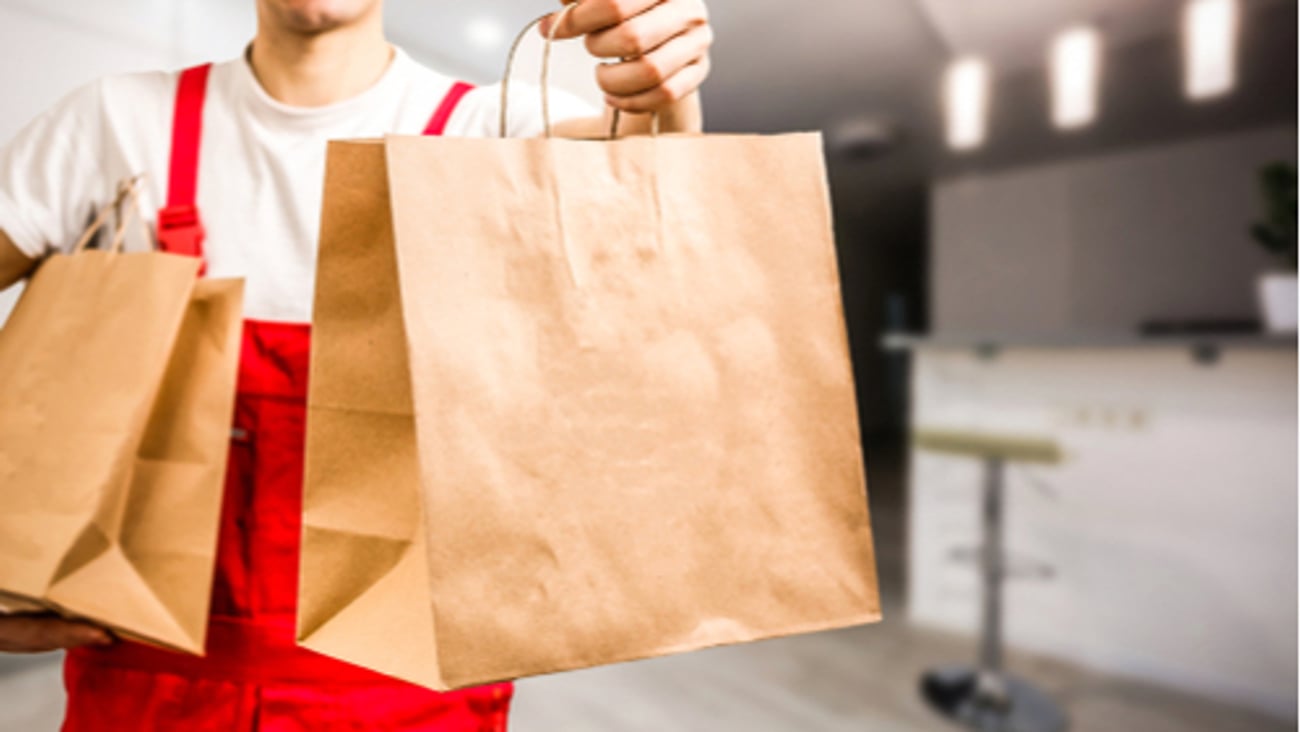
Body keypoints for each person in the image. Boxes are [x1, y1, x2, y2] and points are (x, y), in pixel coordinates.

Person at [0, 0, 712, 728]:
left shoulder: (495, 132)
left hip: (412, 701)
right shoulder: (115, 127)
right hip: (148, 691)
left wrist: (666, 93)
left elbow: (660, 217)